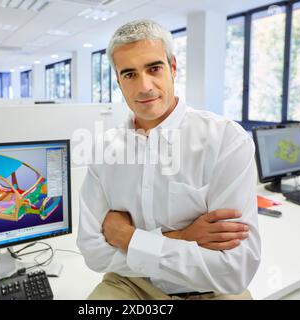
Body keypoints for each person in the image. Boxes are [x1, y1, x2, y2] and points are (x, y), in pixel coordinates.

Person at [76, 19, 261, 300]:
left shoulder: (225, 139)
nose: (144, 86)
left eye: (154, 68)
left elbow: (233, 270)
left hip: (211, 292)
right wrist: (184, 238)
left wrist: (127, 238)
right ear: (118, 81)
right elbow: (94, 252)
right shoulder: (104, 149)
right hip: (131, 285)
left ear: (172, 68)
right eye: (129, 74)